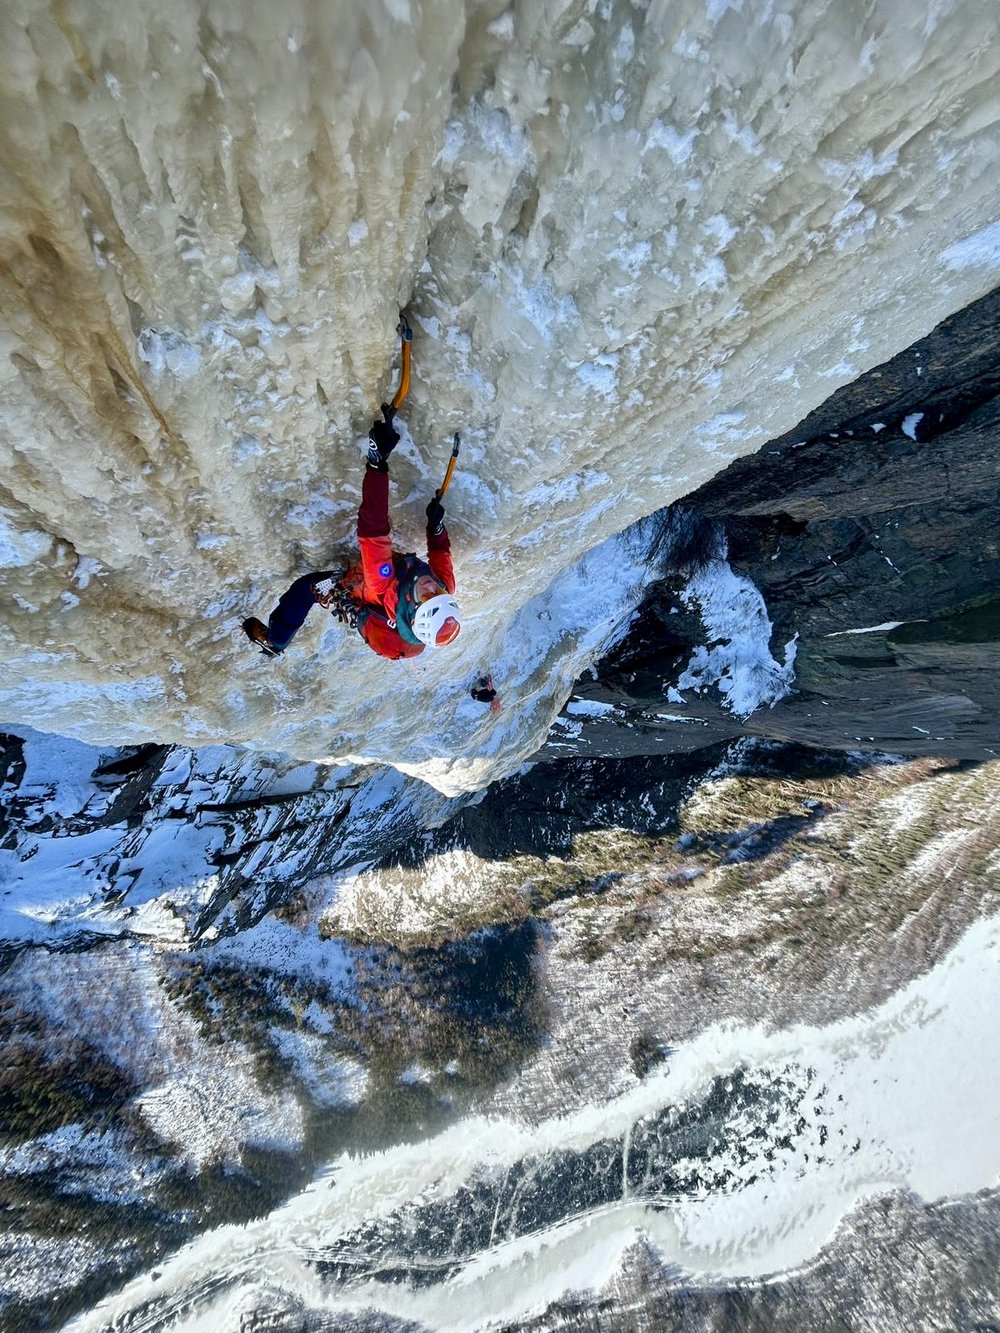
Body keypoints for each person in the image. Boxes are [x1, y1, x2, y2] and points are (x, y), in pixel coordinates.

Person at [243, 411, 461, 660]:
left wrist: (377, 465)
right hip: (390, 597)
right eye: (440, 594)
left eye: (428, 596)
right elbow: (440, 553)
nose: (433, 587)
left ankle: (276, 641)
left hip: (356, 588)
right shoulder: (443, 584)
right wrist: (436, 529)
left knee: (305, 589)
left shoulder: (383, 582)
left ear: (413, 606)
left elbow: (374, 527)